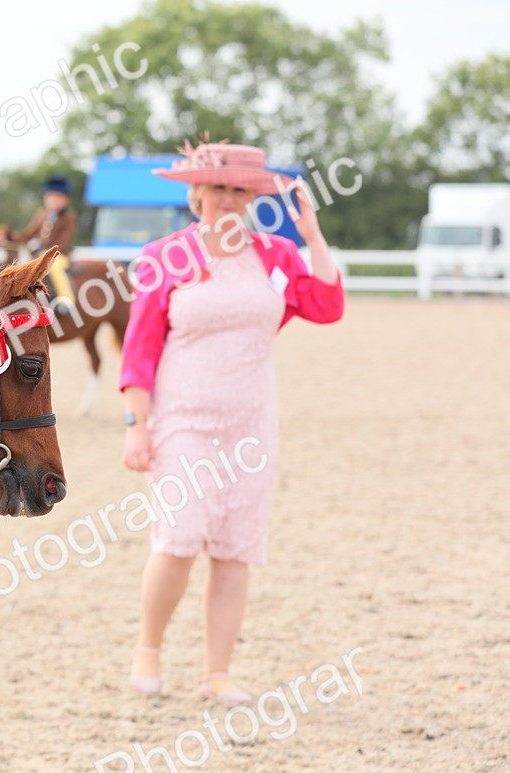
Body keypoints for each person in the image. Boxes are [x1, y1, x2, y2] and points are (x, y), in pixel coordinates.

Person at [119, 141, 345, 703]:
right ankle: (148, 648)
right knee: (179, 537)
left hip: (251, 423)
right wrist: (136, 423)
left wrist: (312, 233)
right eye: (218, 188)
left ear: (252, 197)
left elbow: (327, 305)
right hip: (182, 418)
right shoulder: (164, 255)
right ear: (197, 193)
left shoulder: (276, 255)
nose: (227, 199)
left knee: (235, 549)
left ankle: (217, 672)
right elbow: (140, 348)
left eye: (239, 189)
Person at [6, 174, 77, 309]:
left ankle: (67, 299)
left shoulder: (69, 217)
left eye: (58, 198)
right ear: (45, 198)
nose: (54, 201)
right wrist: (11, 238)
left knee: (56, 267)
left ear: (66, 200)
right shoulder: (41, 214)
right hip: (41, 254)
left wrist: (48, 252)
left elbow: (64, 241)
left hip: (60, 255)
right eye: (51, 197)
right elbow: (27, 234)